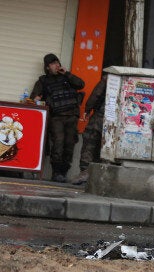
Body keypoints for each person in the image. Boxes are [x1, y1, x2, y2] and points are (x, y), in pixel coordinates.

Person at [30, 53, 85, 183]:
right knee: (58, 143)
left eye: (57, 63)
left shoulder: (66, 77)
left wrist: (67, 73)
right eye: (53, 63)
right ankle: (56, 173)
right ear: (47, 67)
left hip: (71, 116)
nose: (57, 65)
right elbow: (33, 97)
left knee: (69, 144)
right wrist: (36, 98)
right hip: (56, 118)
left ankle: (64, 172)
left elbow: (81, 84)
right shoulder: (43, 81)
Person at [72, 74, 107, 185]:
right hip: (117, 122)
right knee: (106, 147)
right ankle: (100, 175)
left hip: (100, 117)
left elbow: (96, 95)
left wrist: (88, 109)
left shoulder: (107, 78)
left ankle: (85, 172)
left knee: (89, 143)